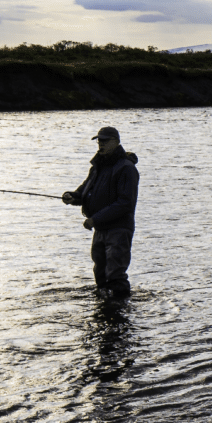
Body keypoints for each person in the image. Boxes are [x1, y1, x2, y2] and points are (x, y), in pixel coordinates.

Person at [62, 126, 139, 298]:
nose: (101, 145)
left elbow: (125, 203)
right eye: (99, 141)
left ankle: (119, 312)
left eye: (105, 141)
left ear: (116, 142)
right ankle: (106, 309)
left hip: (119, 229)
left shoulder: (126, 168)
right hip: (100, 229)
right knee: (101, 274)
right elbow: (85, 189)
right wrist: (72, 196)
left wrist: (94, 219)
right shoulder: (98, 165)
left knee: (115, 275)